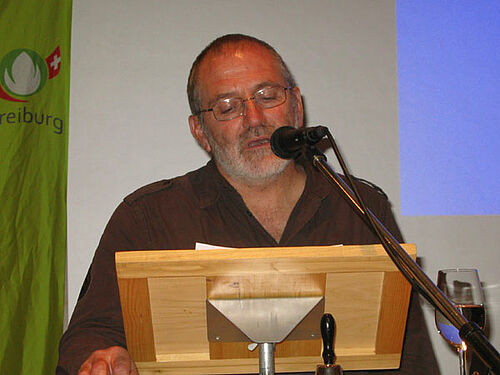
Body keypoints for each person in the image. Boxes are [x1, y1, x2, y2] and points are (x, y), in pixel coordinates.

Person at [57, 34, 439, 375]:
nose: (254, 119)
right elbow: (89, 337)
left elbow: (412, 354)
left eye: (267, 96)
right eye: (227, 106)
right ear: (200, 132)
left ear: (296, 106)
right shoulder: (148, 217)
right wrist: (104, 358)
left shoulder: (360, 206)